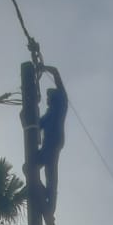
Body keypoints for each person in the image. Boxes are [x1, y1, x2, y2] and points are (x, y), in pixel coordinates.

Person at [38, 66, 68, 213]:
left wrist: (43, 68)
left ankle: (51, 203)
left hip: (55, 142)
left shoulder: (61, 103)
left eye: (49, 97)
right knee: (30, 166)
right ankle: (42, 191)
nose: (47, 100)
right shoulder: (48, 114)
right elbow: (35, 125)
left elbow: (56, 73)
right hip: (46, 145)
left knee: (50, 172)